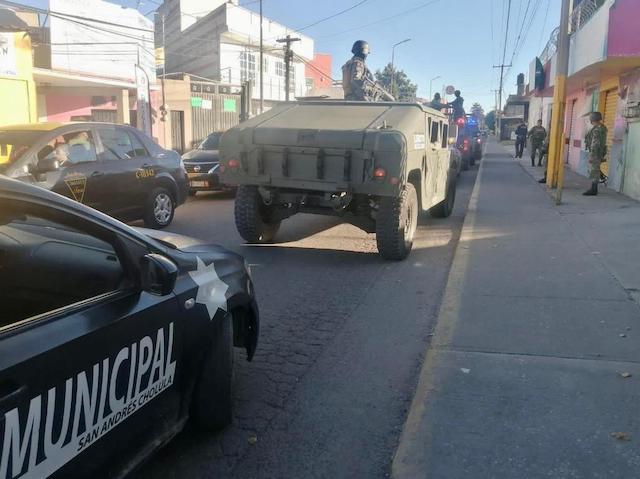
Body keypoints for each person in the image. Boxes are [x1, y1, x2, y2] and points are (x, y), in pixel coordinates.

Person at [583, 111, 608, 196]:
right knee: (595, 170)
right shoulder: (602, 128)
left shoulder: (597, 129)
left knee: (594, 170)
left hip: (596, 153)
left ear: (592, 119)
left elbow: (595, 143)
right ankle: (594, 188)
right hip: (599, 152)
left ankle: (593, 190)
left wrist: (592, 155)